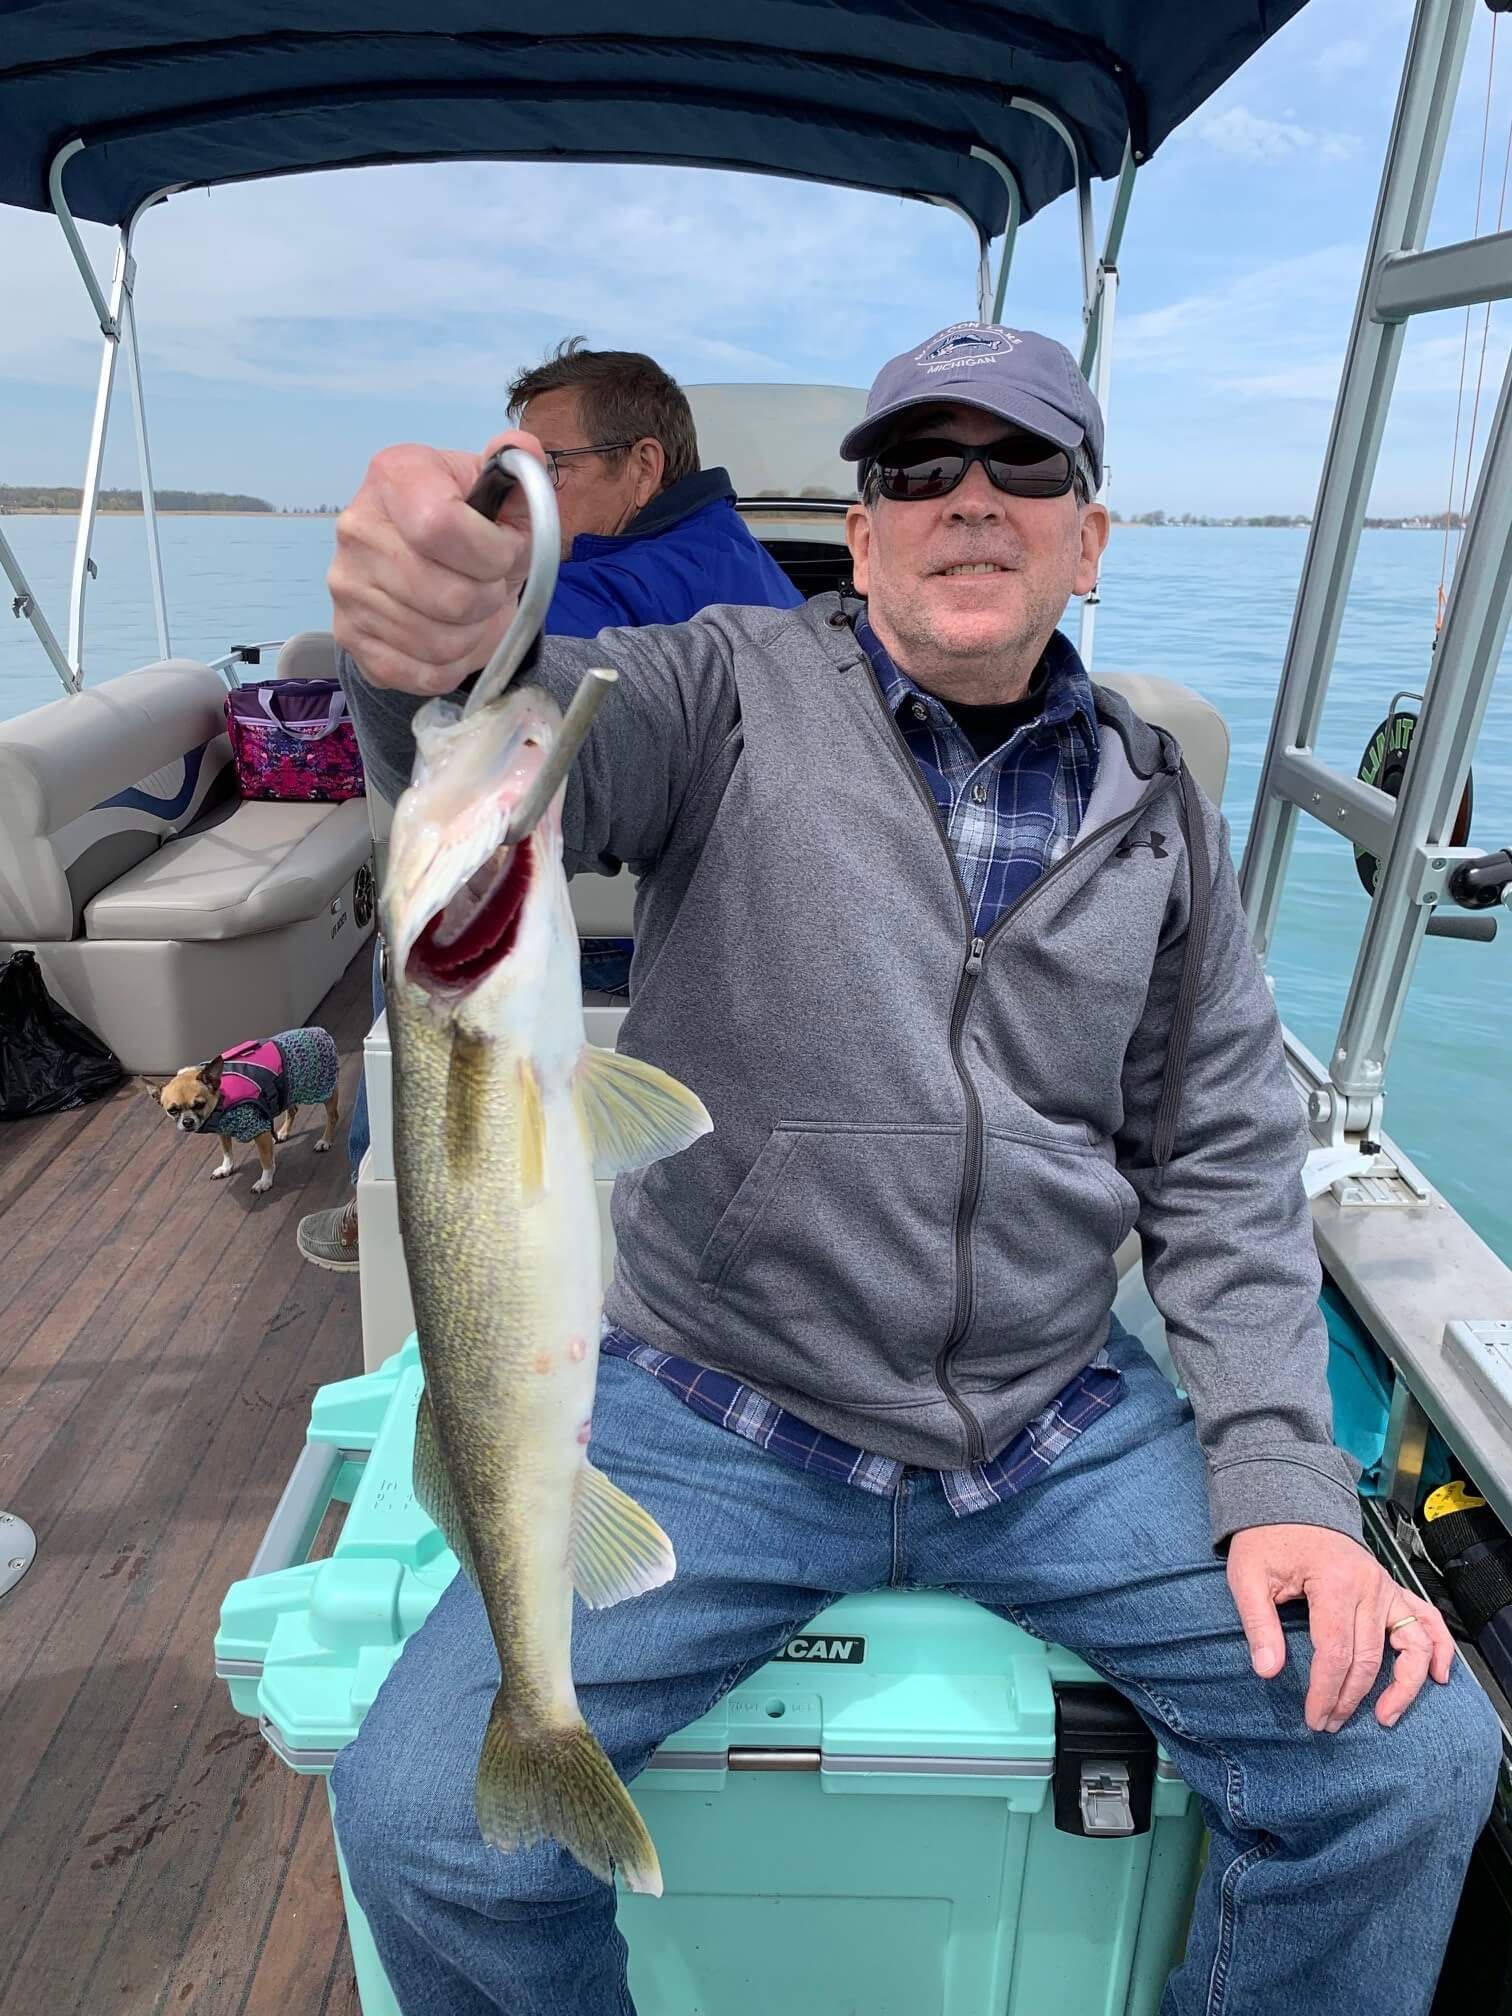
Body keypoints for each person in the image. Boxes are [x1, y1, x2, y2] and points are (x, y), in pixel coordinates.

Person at [323, 322, 1501, 2015]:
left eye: (1024, 463)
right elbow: (501, 720)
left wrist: (1281, 1481)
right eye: (915, 468)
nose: (970, 499)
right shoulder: (718, 687)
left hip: (1052, 1426)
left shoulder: (1162, 818)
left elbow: (1227, 1168)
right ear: (859, 533)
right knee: (428, 1823)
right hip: (718, 1408)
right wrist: (423, 633)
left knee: (1408, 1766)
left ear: (1087, 539)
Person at [296, 338, 800, 1271]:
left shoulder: (615, 583)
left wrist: (425, 616)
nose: (532, 508)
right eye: (514, 474)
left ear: (643, 466)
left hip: (622, 944)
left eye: (549, 470)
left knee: (410, 958)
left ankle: (382, 1197)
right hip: (733, 950)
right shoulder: (747, 569)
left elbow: (489, 666)